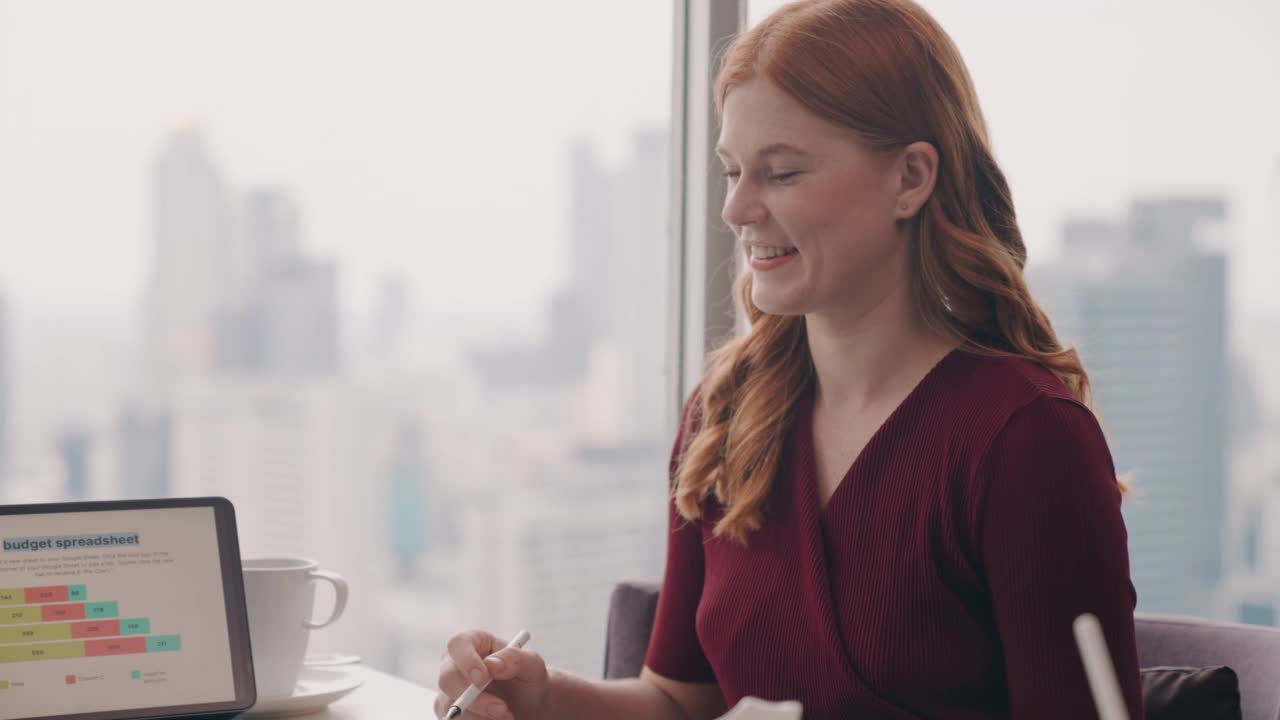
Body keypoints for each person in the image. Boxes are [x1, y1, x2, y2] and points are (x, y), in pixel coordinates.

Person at [436, 0, 1143, 717]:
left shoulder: (1026, 439)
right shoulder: (725, 412)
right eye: (732, 171)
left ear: (910, 178)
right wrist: (543, 697)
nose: (736, 208)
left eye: (780, 173)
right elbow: (681, 703)